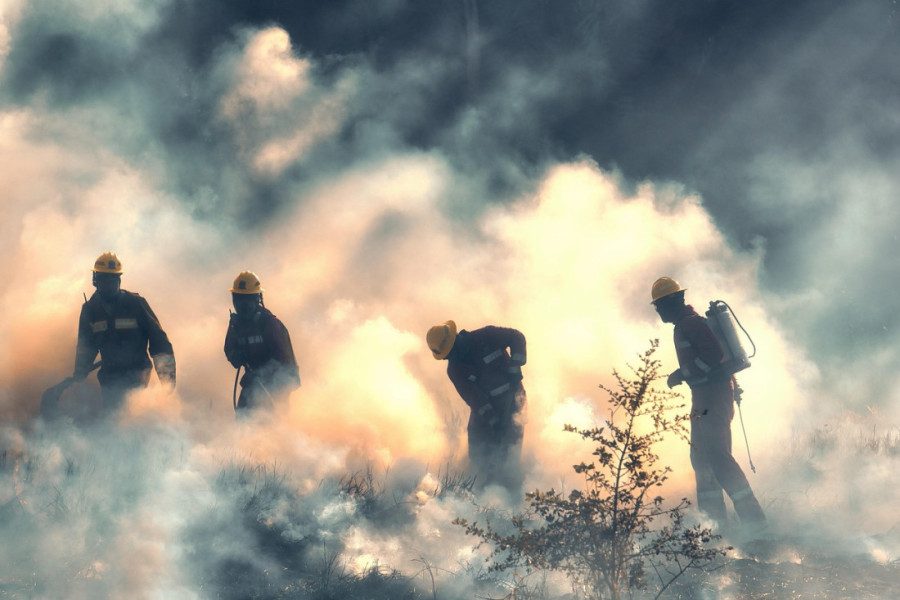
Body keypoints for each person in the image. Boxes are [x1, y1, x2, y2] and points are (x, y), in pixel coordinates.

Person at [650, 276, 766, 531]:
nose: (658, 311)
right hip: (703, 397)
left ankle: (756, 524)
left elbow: (714, 355)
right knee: (701, 458)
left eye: (659, 306)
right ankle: (715, 527)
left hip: (712, 396)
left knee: (718, 457)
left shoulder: (691, 324)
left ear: (671, 302)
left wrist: (682, 374)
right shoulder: (685, 324)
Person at [426, 320, 527, 492]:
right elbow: (475, 399)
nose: (451, 359)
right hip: (488, 407)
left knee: (509, 447)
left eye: (452, 353)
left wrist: (515, 366)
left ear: (457, 341)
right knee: (477, 444)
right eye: (447, 357)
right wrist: (493, 421)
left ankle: (512, 488)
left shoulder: (486, 336)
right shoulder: (455, 369)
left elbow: (517, 337)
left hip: (513, 399)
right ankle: (482, 485)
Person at [73, 251, 176, 414]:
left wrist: (167, 380)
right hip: (109, 376)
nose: (108, 285)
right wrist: (81, 368)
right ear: (95, 281)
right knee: (113, 416)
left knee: (133, 414)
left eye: (112, 280)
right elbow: (86, 345)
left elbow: (160, 343)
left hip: (137, 372)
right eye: (104, 280)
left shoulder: (136, 304)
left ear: (119, 280)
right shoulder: (90, 310)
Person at [224, 271, 300, 414]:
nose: (242, 304)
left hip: (275, 383)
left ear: (256, 299)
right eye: (239, 299)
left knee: (272, 422)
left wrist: (266, 377)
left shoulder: (270, 324)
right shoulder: (236, 324)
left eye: (246, 299)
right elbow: (229, 348)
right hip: (252, 381)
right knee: (243, 415)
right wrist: (236, 356)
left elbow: (284, 362)